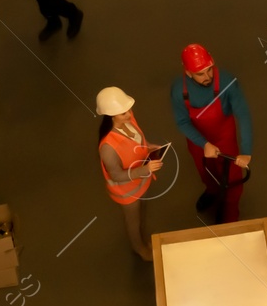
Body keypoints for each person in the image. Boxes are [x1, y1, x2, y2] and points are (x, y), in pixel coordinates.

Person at [169, 44, 253, 223]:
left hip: (224, 139)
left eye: (209, 70)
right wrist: (204, 144)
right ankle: (212, 191)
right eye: (200, 74)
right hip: (199, 143)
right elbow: (182, 122)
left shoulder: (227, 82)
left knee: (232, 180)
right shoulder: (179, 91)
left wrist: (245, 151)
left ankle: (230, 215)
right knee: (205, 172)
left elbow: (243, 114)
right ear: (188, 73)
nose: (207, 77)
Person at [96, 87, 163, 261]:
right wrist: (146, 170)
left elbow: (137, 140)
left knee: (142, 214)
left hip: (141, 180)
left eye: (128, 110)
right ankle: (139, 248)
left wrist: (148, 147)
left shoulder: (128, 120)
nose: (129, 114)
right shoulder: (108, 148)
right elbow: (117, 175)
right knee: (133, 221)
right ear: (111, 116)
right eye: (124, 113)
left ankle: (142, 238)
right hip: (128, 191)